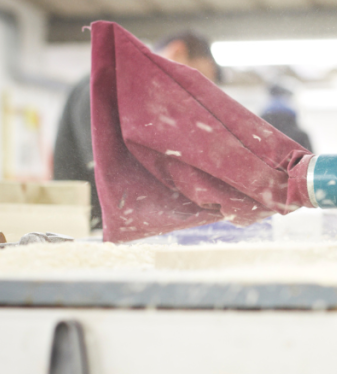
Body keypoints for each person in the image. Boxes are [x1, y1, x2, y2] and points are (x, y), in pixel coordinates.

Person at [53, 30, 219, 230]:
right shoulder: (104, 83)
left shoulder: (142, 98)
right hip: (84, 230)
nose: (190, 95)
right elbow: (109, 168)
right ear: (178, 52)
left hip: (115, 229)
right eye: (194, 82)